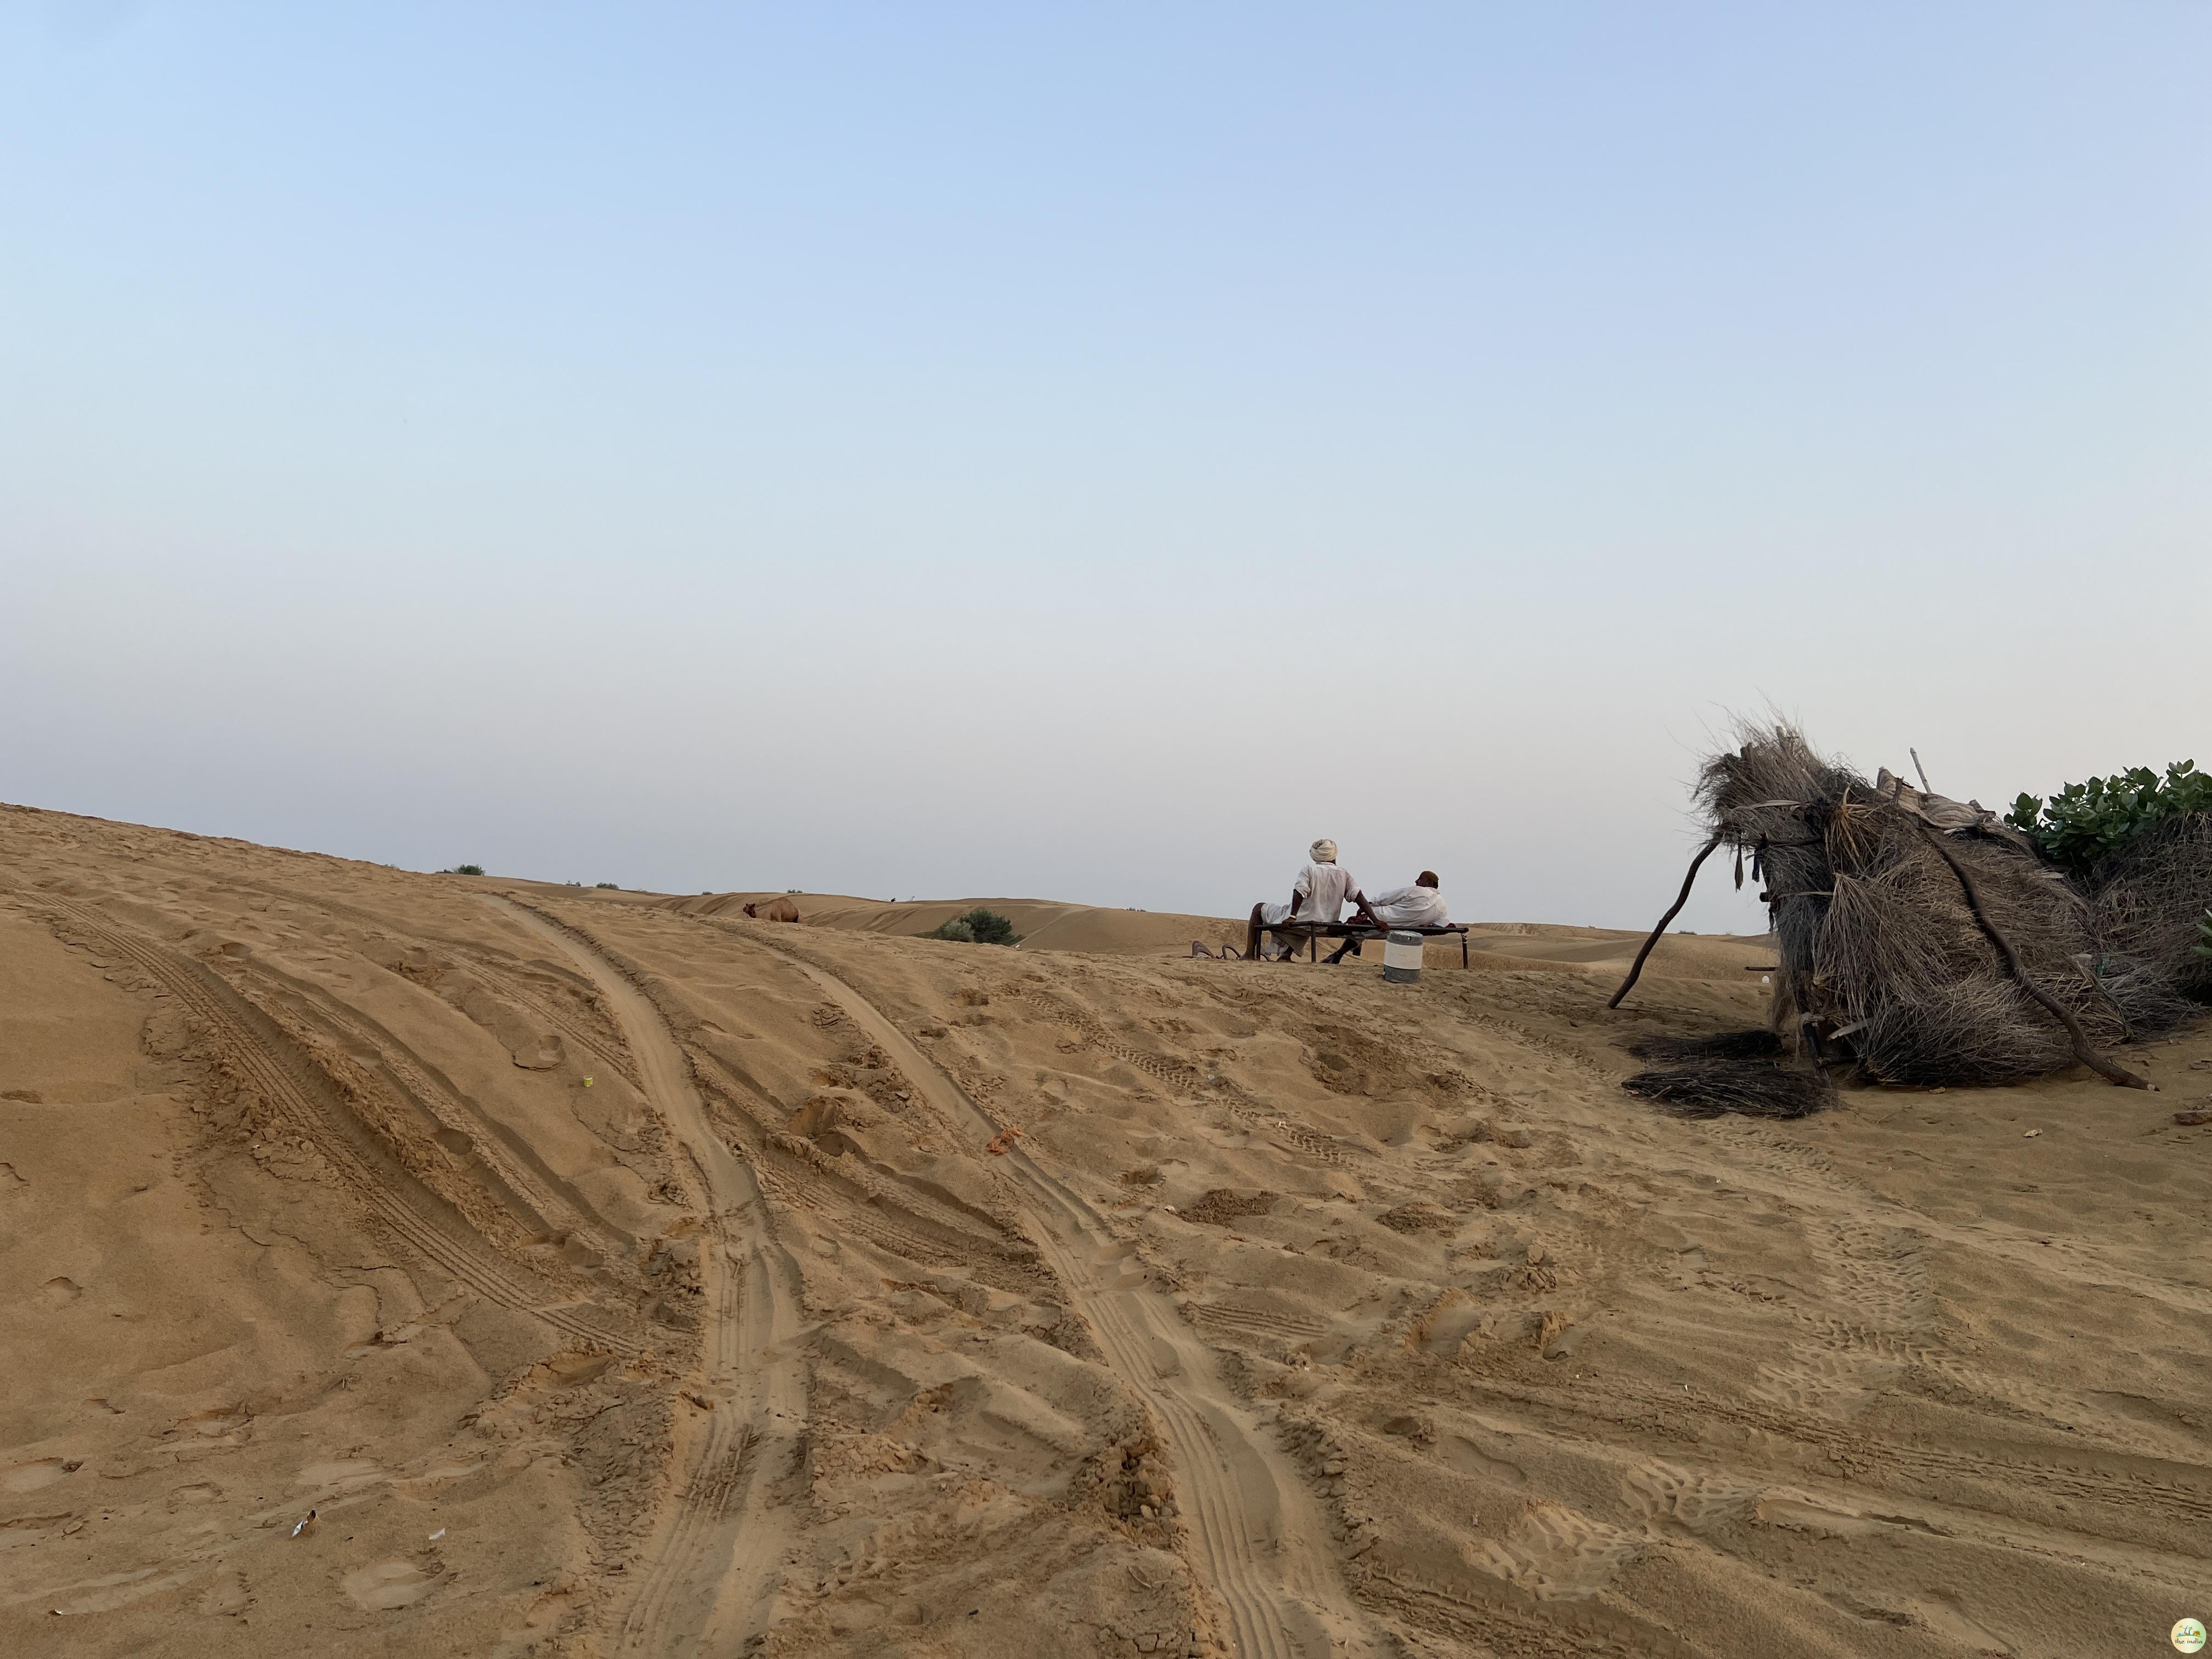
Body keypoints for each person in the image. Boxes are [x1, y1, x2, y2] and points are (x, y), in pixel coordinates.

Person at [1246, 839, 1365, 962]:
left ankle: (1249, 954)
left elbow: (1299, 891)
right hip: (1326, 924)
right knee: (1307, 915)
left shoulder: (1310, 870)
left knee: (1259, 908)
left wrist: (1292, 916)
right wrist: (1376, 920)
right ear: (1334, 856)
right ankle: (1286, 955)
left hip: (1304, 923)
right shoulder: (1343, 874)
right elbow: (1358, 896)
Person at [1317, 871, 1448, 963]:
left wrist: (1368, 904)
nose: (1416, 881)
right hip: (1403, 930)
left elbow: (1385, 898)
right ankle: (1339, 954)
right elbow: (1443, 923)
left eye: (1420, 879)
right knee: (1362, 930)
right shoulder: (1442, 905)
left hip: (1380, 921)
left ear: (1429, 883)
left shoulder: (1417, 891)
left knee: (1357, 924)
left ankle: (1331, 944)